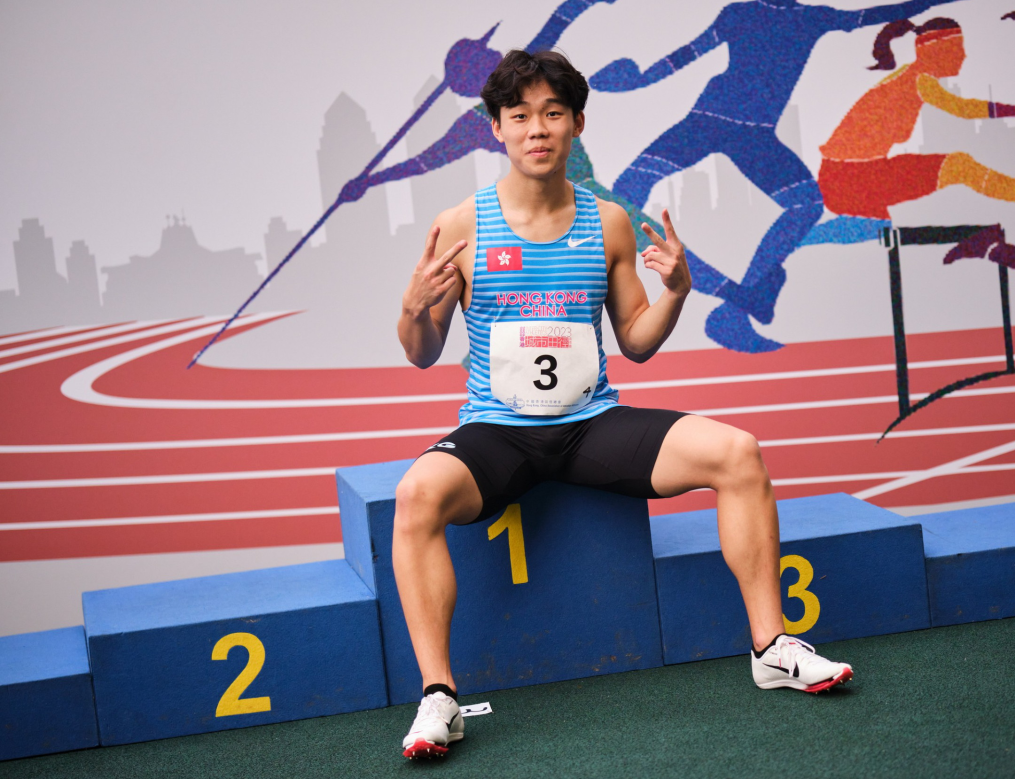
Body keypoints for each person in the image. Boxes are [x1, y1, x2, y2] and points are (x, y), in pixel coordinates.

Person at [393, 49, 852, 760]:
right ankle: (439, 697)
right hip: (498, 430)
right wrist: (413, 307)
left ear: (576, 124)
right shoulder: (462, 227)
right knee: (415, 495)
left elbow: (635, 340)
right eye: (520, 116)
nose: (537, 129)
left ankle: (771, 647)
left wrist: (676, 293)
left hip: (591, 425)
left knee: (737, 452)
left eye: (553, 113)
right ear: (497, 128)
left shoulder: (607, 223)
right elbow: (421, 352)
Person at [589, 0, 965, 352]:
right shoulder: (760, 14)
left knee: (806, 204)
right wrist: (634, 81)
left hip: (749, 133)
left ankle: (735, 305)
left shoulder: (805, 17)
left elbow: (872, 16)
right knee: (626, 194)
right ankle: (735, 296)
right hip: (710, 122)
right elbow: (685, 56)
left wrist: (636, 80)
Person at [815, 16, 1015, 266]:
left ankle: (987, 247)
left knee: (879, 227)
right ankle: (805, 238)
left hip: (848, 176)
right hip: (852, 177)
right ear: (937, 51)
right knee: (958, 166)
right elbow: (962, 108)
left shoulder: (909, 76)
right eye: (957, 49)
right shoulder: (920, 79)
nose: (963, 57)